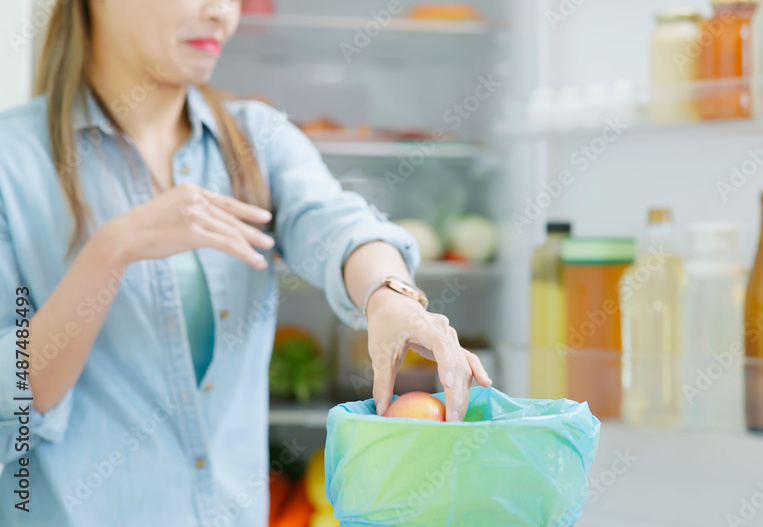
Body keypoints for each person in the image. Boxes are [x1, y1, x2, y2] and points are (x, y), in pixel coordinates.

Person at [0, 0, 491, 524]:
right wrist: (111, 250)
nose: (221, 14)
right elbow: (13, 397)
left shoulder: (258, 140)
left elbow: (337, 223)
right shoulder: (14, 161)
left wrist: (390, 297)